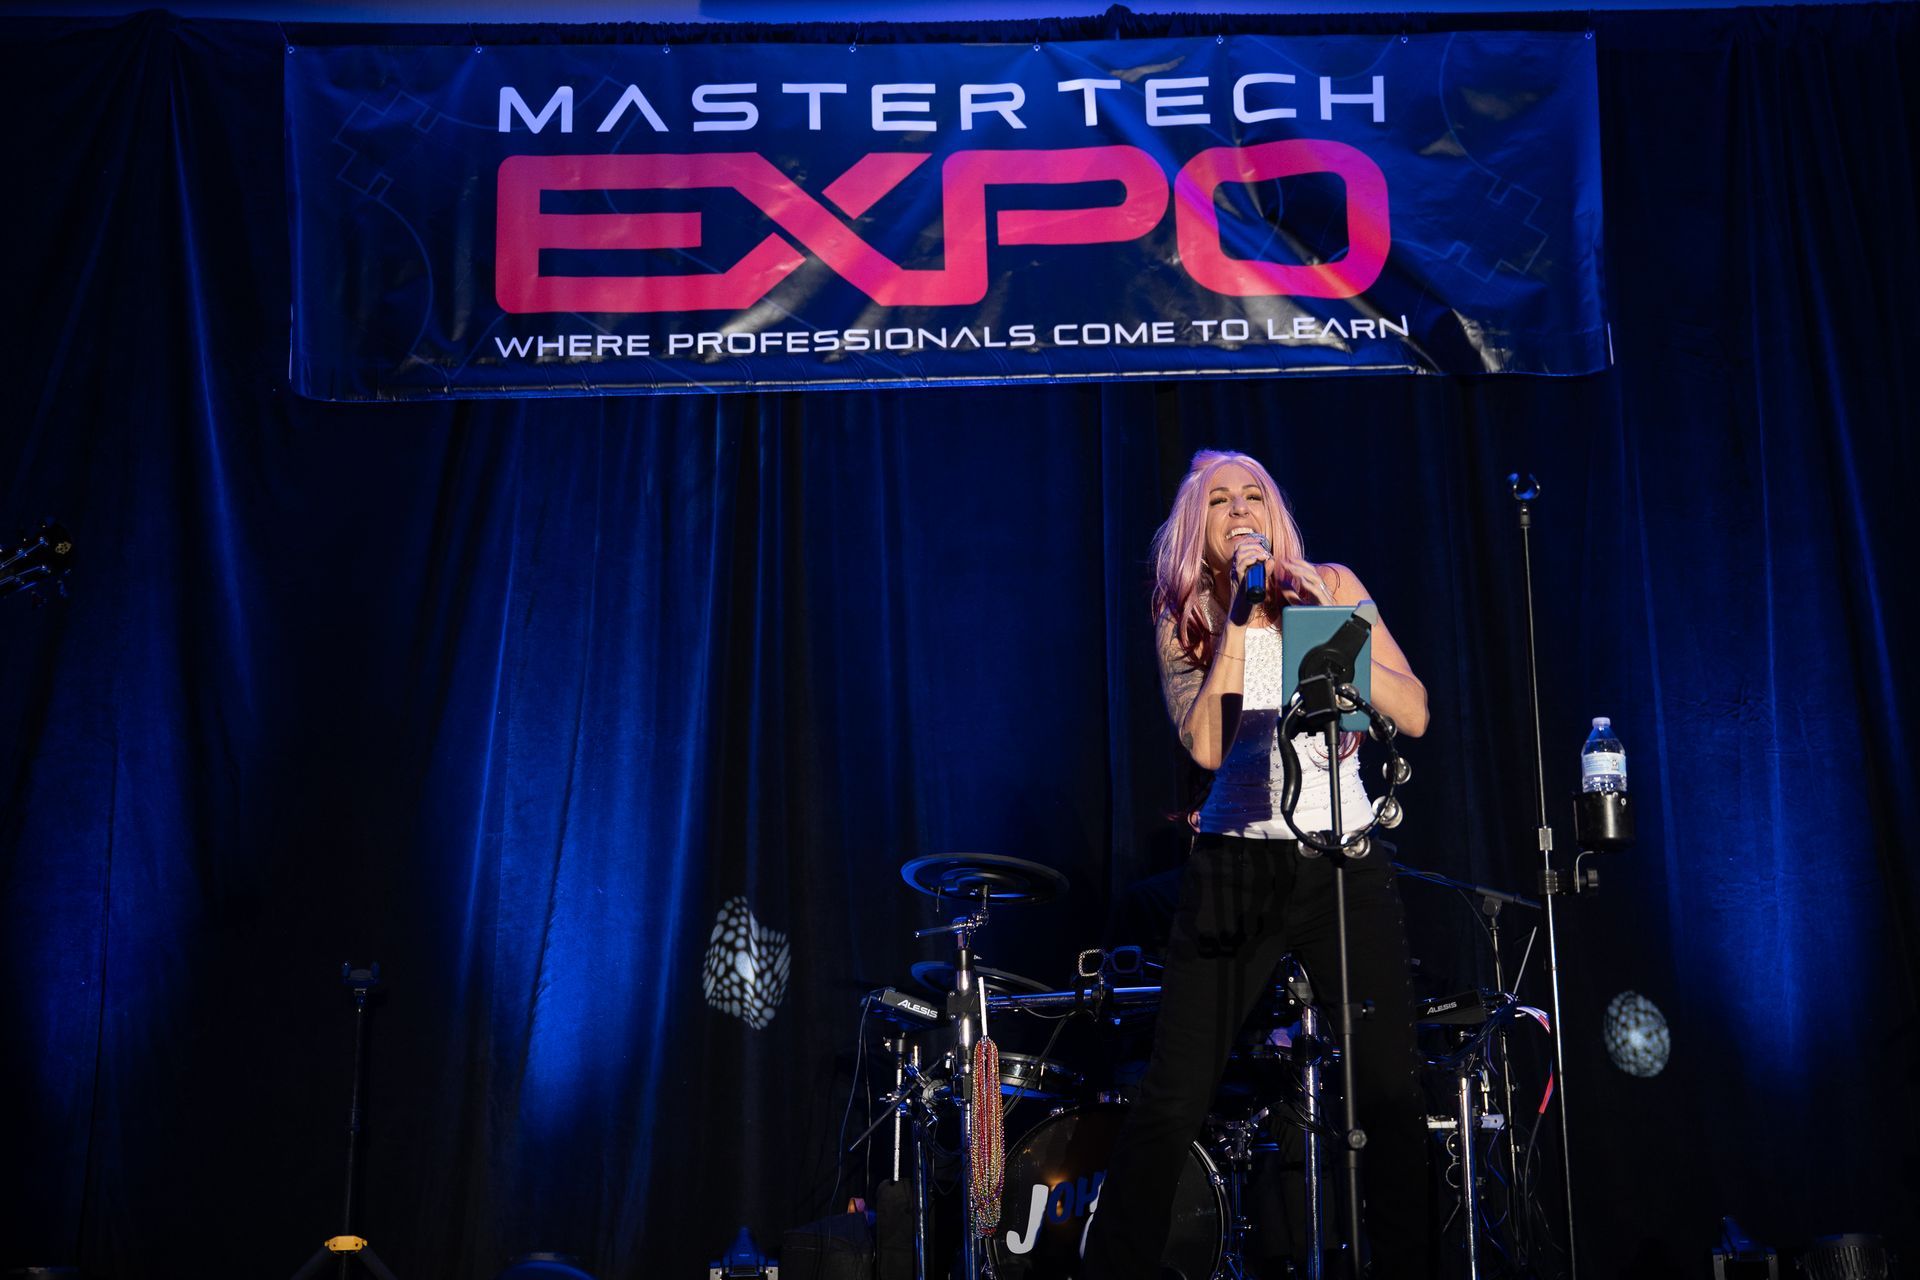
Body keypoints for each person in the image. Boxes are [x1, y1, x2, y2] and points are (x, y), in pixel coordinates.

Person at [1082, 449, 1432, 1279]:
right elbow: (1205, 745)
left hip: (1341, 862)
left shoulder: (1333, 584)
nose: (1238, 510)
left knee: (1388, 1094)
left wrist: (1318, 622)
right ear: (1197, 528)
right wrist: (1244, 616)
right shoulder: (1190, 613)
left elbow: (1413, 712)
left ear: (1274, 513)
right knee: (1173, 1097)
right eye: (1218, 502)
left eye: (1252, 496)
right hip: (1235, 867)